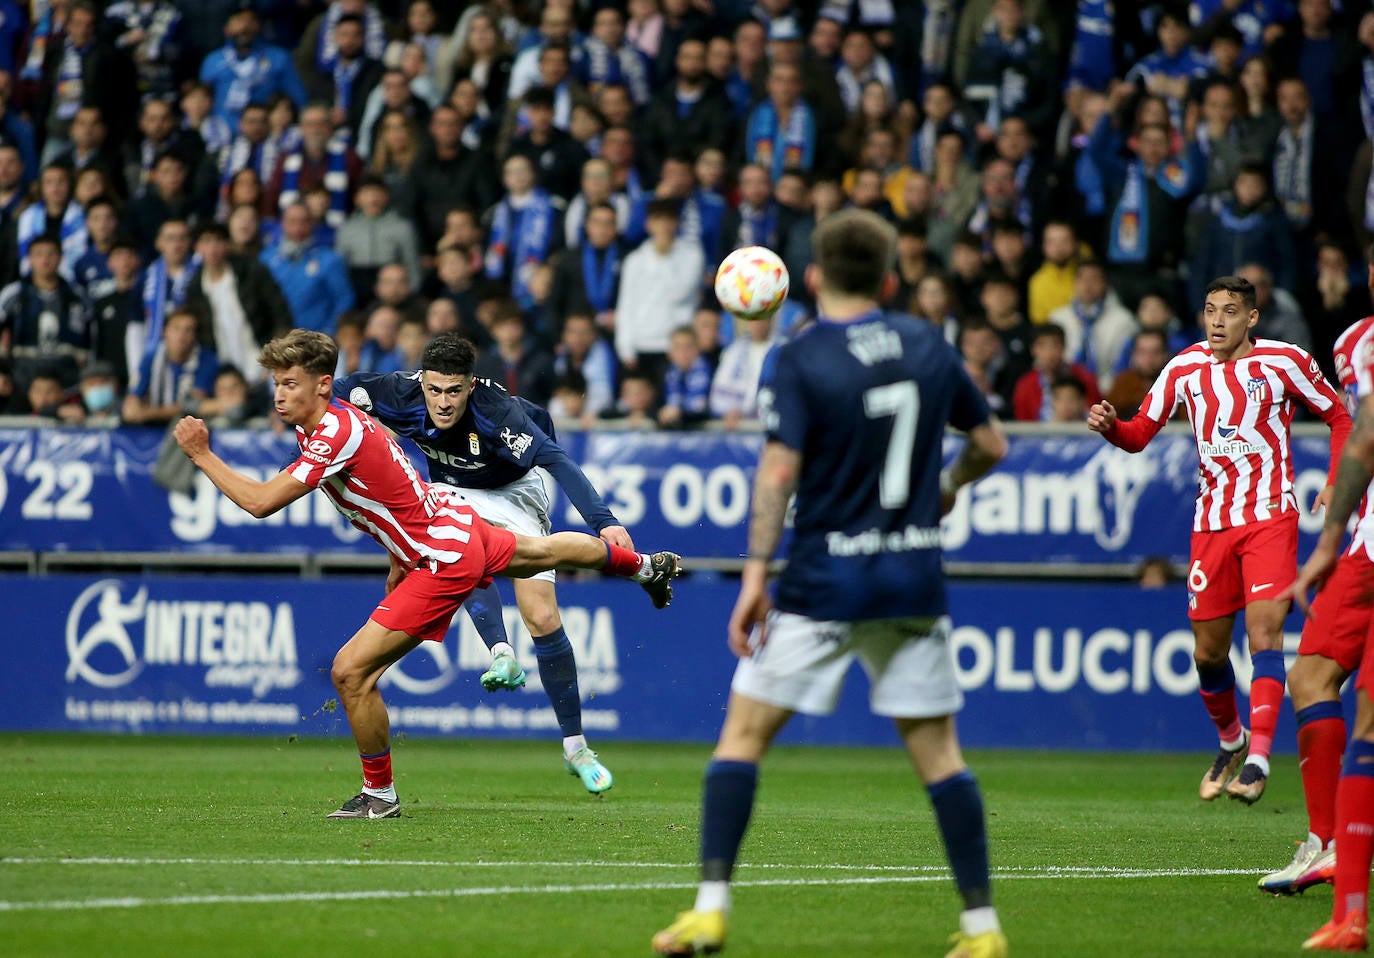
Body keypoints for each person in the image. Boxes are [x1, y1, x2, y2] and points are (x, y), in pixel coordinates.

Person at [650, 209, 1009, 958]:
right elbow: (990, 444)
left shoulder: (800, 355)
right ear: (889, 278)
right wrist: (946, 487)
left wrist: (755, 576)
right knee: (941, 757)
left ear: (811, 279)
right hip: (911, 577)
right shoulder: (925, 342)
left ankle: (710, 910)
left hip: (823, 579)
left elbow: (778, 473)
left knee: (742, 737)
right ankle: (983, 930)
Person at [173, 329, 678, 818]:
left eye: (290, 384)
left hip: (443, 556)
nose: (279, 395)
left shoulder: (335, 430)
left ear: (323, 385)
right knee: (542, 551)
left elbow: (261, 502)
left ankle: (381, 794)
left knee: (350, 672)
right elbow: (395, 489)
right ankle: (644, 567)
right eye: (276, 383)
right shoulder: (352, 409)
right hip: (449, 521)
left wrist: (201, 453)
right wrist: (398, 557)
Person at [335, 332, 642, 795]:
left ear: (471, 385)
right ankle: (502, 653)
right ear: (422, 382)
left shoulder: (499, 412)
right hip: (453, 495)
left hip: (514, 491)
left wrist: (604, 521)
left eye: (454, 391)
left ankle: (576, 747)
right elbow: (331, 398)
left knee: (541, 615)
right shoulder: (394, 391)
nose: (442, 402)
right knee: (459, 551)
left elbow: (556, 460)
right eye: (434, 390)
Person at [1087, 275, 1352, 807]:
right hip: (1211, 524)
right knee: (1208, 654)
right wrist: (1113, 426)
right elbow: (1140, 435)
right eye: (1210, 310)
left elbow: (1340, 416)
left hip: (1270, 516)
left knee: (1264, 631)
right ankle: (1232, 741)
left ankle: (1258, 761)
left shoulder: (1285, 361)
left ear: (1251, 318)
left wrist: (1333, 483)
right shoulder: (1184, 367)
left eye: (1229, 312)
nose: (1216, 321)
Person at [1284, 313, 1374, 953]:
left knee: (1369, 723)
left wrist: (1325, 544)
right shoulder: (1355, 340)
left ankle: (1351, 915)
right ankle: (1328, 842)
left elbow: (1365, 436)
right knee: (1310, 673)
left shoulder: (1361, 344)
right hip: (1367, 545)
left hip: (1361, 544)